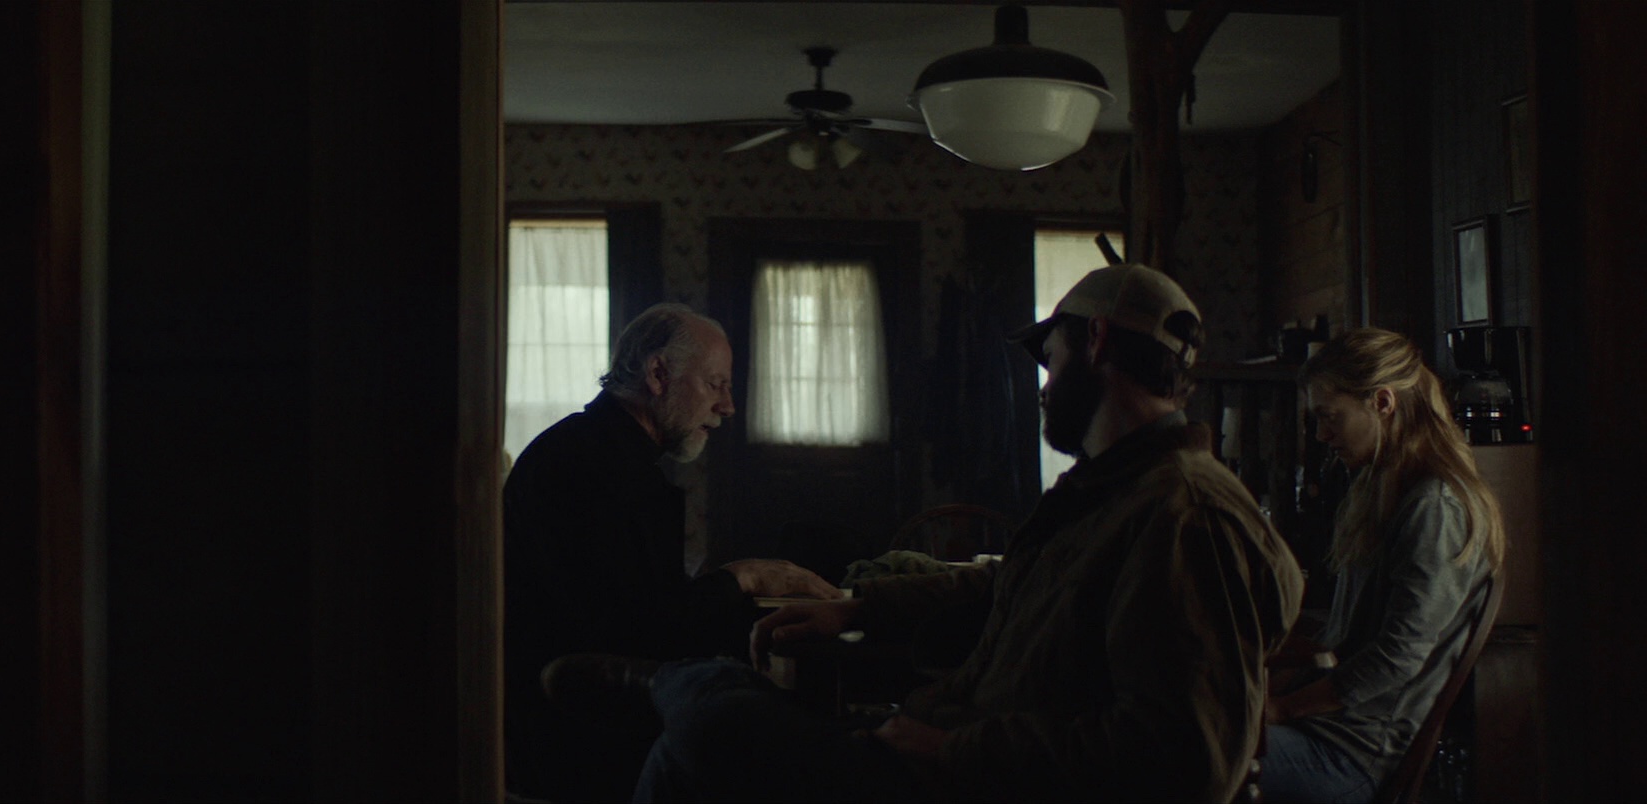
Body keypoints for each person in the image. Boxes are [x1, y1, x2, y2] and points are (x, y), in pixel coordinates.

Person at [542, 264, 1306, 803]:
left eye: (1050, 359)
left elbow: (1190, 761)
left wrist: (953, 749)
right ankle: (677, 686)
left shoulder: (1185, 516)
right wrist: (858, 607)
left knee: (714, 727)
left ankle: (666, 685)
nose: (1043, 387)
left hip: (960, 779)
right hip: (934, 746)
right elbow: (1002, 580)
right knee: (699, 736)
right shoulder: (1108, 492)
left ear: (1098, 341)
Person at [504, 301, 842, 803]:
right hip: (575, 743)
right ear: (658, 374)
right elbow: (642, 630)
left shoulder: (599, 452)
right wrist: (743, 578)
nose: (727, 406)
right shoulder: (592, 469)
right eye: (715, 384)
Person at [1257, 328, 1504, 803]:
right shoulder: (1381, 487)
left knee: (1185, 758)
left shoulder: (1434, 506)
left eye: (1330, 417)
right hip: (1326, 731)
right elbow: (1347, 640)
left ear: (1383, 402)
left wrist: (1284, 708)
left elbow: (1398, 656)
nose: (1321, 435)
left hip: (1350, 754)